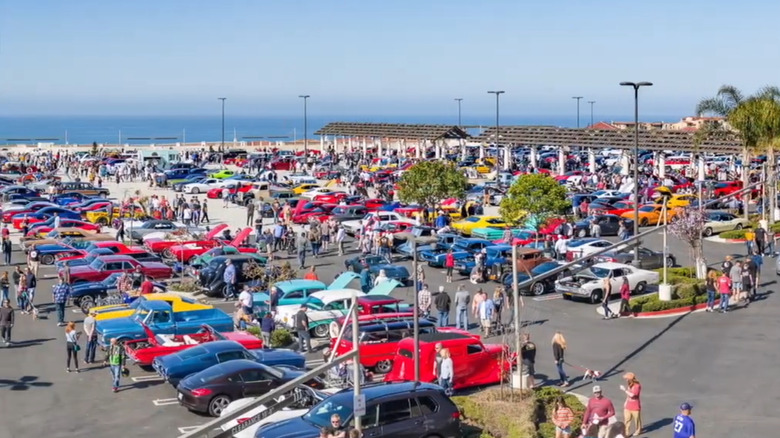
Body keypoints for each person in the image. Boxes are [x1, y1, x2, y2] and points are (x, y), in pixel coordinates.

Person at [620, 372, 642, 436]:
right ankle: (626, 433)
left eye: (627, 378)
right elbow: (628, 395)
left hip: (635, 406)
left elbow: (632, 395)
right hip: (628, 405)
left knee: (637, 420)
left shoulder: (637, 386)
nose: (626, 380)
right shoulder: (630, 384)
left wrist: (624, 390)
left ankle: (638, 430)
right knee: (627, 420)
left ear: (630, 379)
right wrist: (626, 401)